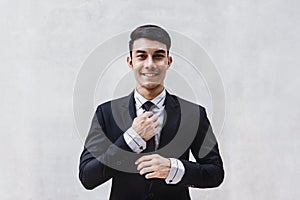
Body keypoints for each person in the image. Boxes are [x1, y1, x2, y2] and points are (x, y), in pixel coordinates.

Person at [79, 24, 224, 200]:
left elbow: (215, 173)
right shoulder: (106, 112)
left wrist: (173, 169)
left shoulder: (193, 113)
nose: (150, 64)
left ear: (168, 62)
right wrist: (131, 139)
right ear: (130, 62)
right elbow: (88, 176)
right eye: (141, 56)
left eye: (158, 56)